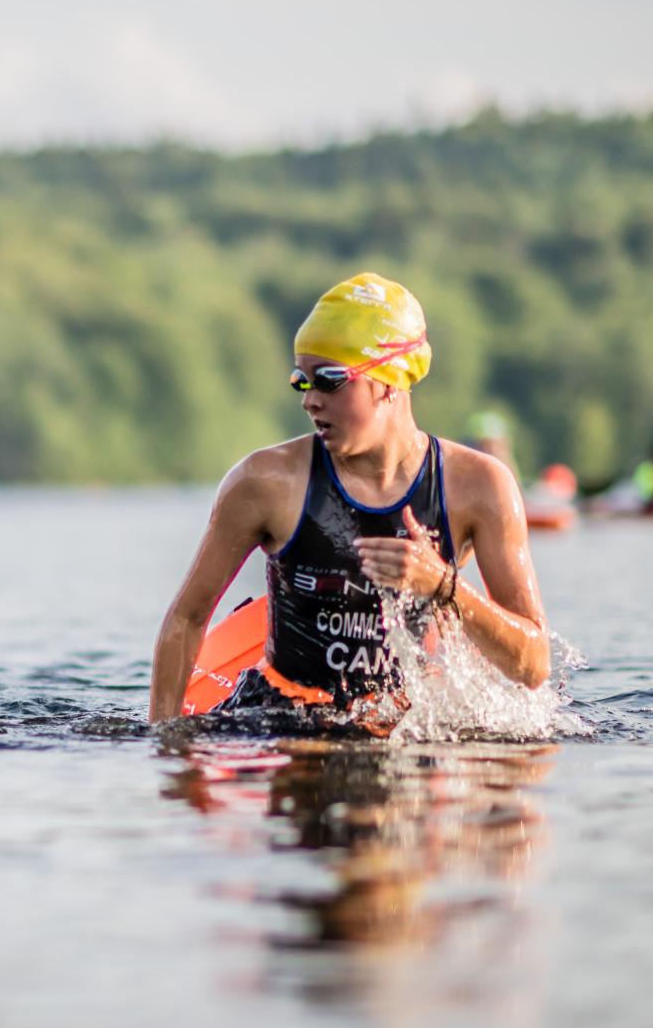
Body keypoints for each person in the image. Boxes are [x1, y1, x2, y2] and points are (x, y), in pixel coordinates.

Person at [148, 274, 549, 727]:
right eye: (302, 381)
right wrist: (165, 739)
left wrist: (443, 586)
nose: (310, 401)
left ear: (389, 380)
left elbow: (532, 665)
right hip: (282, 716)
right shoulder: (265, 481)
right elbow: (188, 617)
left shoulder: (478, 486)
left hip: (404, 722)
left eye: (330, 380)